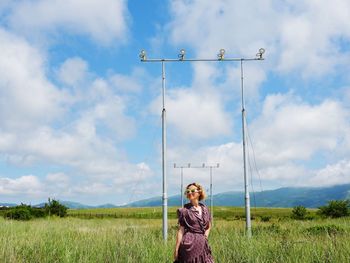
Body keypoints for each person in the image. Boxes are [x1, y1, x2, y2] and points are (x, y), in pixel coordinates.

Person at [174, 182, 214, 263]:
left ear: (199, 192)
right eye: (188, 191)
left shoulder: (205, 209)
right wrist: (176, 248)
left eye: (192, 191)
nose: (190, 193)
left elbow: (209, 226)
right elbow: (181, 230)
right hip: (188, 245)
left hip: (203, 244)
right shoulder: (184, 211)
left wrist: (204, 237)